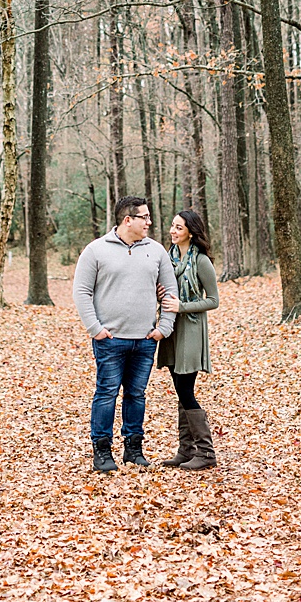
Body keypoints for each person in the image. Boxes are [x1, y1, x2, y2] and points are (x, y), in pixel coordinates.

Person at [72, 195, 178, 473]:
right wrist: (95, 329)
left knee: (136, 394)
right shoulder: (95, 250)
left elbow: (170, 291)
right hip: (110, 339)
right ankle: (102, 451)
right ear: (127, 220)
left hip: (144, 340)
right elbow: (82, 292)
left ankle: (133, 448)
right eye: (144, 217)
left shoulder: (156, 251)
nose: (150, 222)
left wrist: (164, 327)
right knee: (106, 393)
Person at [156, 209, 220, 470]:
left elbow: (213, 300)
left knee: (185, 390)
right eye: (172, 226)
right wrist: (160, 293)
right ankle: (186, 451)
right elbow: (165, 292)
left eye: (179, 227)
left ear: (191, 232)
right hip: (171, 329)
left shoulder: (202, 261)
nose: (173, 231)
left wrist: (181, 306)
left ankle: (206, 452)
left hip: (191, 330)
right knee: (180, 392)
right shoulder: (168, 258)